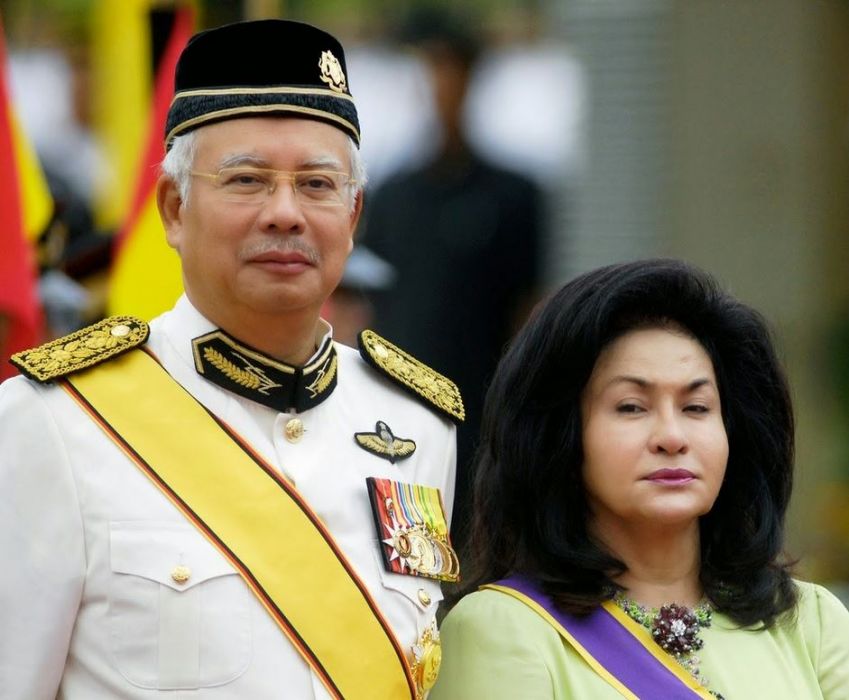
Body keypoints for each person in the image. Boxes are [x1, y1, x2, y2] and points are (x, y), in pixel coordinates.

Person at [0, 19, 463, 700]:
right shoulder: (50, 421)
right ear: (173, 208)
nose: (285, 213)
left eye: (316, 184)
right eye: (246, 180)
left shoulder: (416, 422)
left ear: (354, 212)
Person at [431, 259, 849, 699]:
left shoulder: (808, 621)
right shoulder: (504, 627)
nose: (672, 436)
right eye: (631, 406)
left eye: (697, 408)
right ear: (560, 436)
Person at [361, 10, 542, 550]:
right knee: (410, 555)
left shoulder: (513, 195)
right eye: (430, 73)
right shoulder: (391, 196)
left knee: (480, 554)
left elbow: (528, 306)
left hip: (483, 414)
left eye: (451, 72)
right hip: (401, 411)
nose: (441, 88)